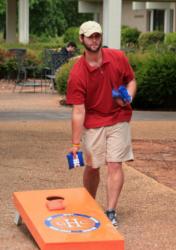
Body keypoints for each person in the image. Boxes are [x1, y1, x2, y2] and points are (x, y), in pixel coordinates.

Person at [66, 21, 137, 227]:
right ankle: (89, 206)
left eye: (97, 36)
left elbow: (131, 81)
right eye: (90, 36)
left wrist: (128, 98)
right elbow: (79, 111)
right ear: (82, 39)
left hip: (118, 117)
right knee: (92, 166)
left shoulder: (118, 57)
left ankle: (110, 211)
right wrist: (75, 144)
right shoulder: (77, 73)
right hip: (94, 121)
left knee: (115, 163)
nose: (94, 40)